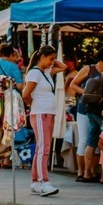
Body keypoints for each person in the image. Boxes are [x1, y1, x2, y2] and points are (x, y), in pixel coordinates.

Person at [68, 47, 103, 183]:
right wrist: (87, 93)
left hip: (95, 110)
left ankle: (90, 172)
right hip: (85, 108)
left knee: (94, 142)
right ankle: (82, 172)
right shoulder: (88, 69)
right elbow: (73, 84)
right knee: (84, 140)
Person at [23, 45, 67, 196]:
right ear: (42, 57)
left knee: (42, 148)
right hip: (41, 113)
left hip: (48, 113)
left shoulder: (46, 72)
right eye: (50, 59)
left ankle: (35, 181)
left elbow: (63, 67)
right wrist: (33, 104)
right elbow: (25, 94)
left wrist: (52, 62)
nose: (52, 62)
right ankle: (44, 181)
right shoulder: (35, 74)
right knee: (44, 148)